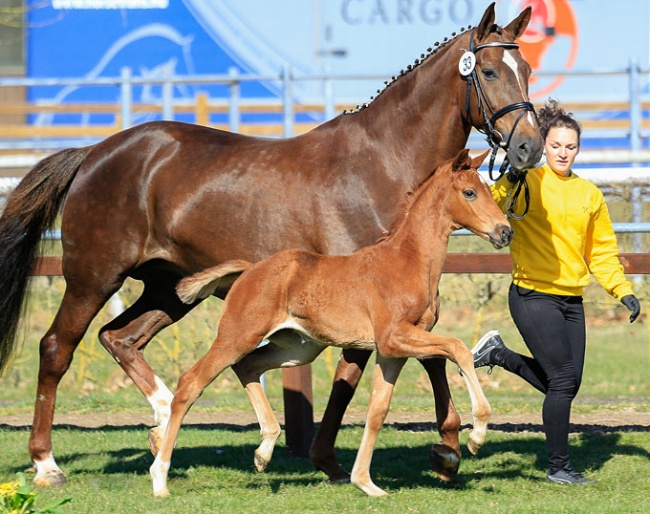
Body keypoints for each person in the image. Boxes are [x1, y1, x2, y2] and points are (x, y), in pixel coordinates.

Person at [472, 98, 641, 485]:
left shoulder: (589, 195)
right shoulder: (527, 179)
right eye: (556, 145)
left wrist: (621, 290)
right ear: (544, 146)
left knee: (566, 383)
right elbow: (493, 205)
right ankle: (559, 467)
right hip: (532, 294)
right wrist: (510, 177)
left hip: (571, 299)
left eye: (570, 147)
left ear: (578, 150)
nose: (563, 152)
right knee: (563, 381)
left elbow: (599, 251)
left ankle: (499, 353)